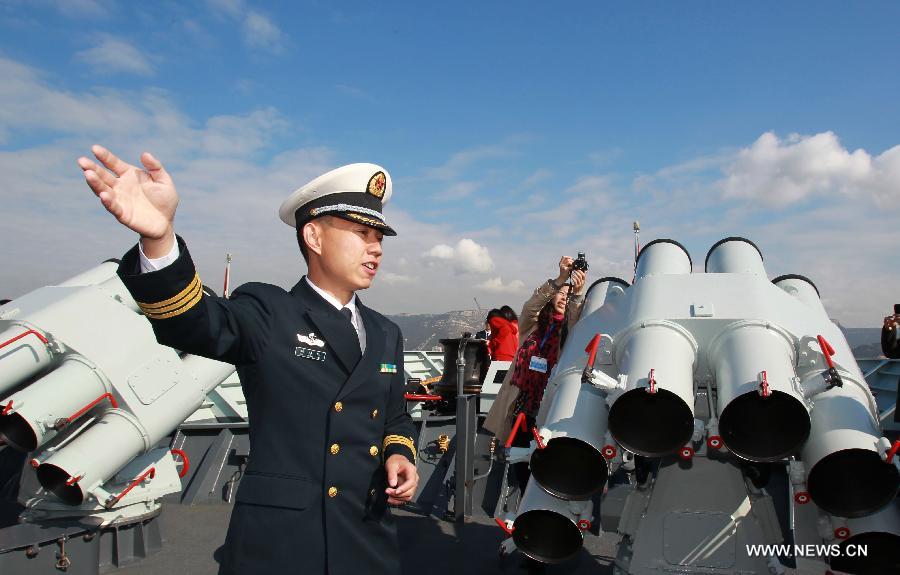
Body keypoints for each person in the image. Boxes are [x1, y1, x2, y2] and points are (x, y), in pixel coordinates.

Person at [78, 145, 418, 575]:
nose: (376, 249)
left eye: (379, 237)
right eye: (361, 233)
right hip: (283, 541)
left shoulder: (386, 333)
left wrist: (399, 456)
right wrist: (159, 238)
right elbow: (191, 322)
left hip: (366, 535)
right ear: (314, 237)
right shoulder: (269, 311)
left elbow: (395, 419)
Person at [483, 256, 586, 451]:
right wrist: (559, 279)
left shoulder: (568, 334)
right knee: (518, 457)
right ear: (552, 297)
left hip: (548, 405)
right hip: (520, 405)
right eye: (561, 293)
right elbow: (531, 306)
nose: (565, 297)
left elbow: (575, 318)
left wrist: (578, 295)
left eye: (569, 295)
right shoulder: (532, 326)